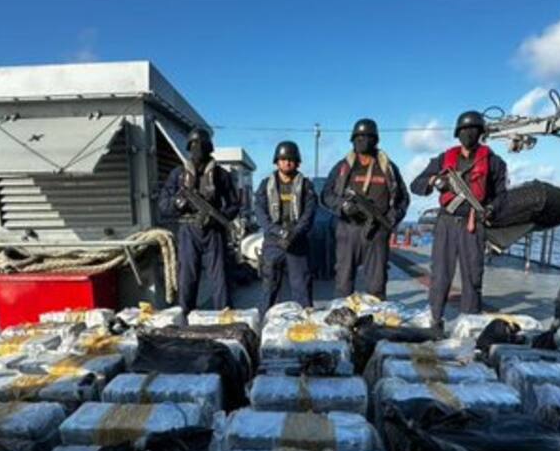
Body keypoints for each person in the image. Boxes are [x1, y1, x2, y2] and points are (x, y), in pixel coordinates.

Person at [411, 110, 508, 324]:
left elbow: (502, 195)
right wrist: (435, 181)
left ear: (481, 133)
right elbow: (416, 185)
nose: (468, 133)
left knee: (473, 275)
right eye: (464, 130)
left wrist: (491, 209)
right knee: (440, 274)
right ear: (457, 133)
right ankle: (434, 318)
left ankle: (469, 321)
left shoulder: (494, 162)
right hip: (446, 222)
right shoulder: (444, 159)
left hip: (473, 224)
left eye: (473, 130)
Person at [320, 118, 409, 299]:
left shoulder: (388, 167)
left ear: (375, 140)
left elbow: (403, 198)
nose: (362, 141)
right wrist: (343, 206)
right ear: (353, 140)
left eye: (367, 137)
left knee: (377, 286)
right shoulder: (343, 167)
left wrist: (391, 218)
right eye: (359, 137)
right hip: (348, 231)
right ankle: (343, 315)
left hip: (377, 232)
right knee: (343, 284)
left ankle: (375, 316)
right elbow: (326, 195)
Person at [159, 127, 241, 313]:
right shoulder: (178, 174)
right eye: (195, 145)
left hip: (214, 230)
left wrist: (218, 218)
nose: (198, 150)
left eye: (202, 145)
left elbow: (234, 204)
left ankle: (225, 316)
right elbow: (163, 204)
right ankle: (186, 316)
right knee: (187, 277)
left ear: (209, 148)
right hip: (188, 229)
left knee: (220, 277)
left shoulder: (221, 175)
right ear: (189, 147)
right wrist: (178, 203)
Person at [254, 141, 318, 313]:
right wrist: (278, 231)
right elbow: (260, 213)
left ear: (297, 162)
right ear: (277, 162)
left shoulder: (306, 185)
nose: (287, 163)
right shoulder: (265, 185)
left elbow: (309, 213)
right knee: (269, 287)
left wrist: (294, 233)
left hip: (297, 241)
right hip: (273, 241)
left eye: (291, 159)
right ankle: (264, 320)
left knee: (302, 287)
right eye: (283, 159)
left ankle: (306, 322)